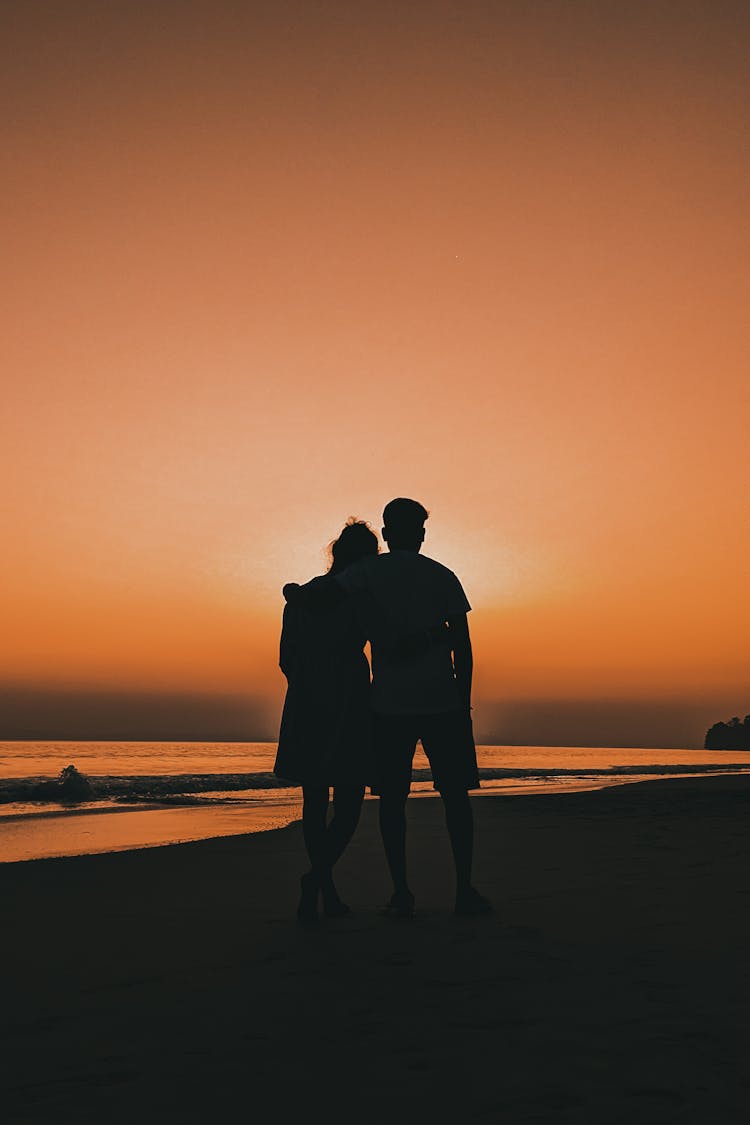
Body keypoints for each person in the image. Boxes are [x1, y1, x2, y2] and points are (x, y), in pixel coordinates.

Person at [284, 498, 491, 918]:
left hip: (379, 705)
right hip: (435, 705)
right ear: (421, 533)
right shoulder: (442, 575)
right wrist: (462, 698)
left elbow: (313, 607)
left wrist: (294, 593)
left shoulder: (365, 575)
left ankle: (398, 891)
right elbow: (463, 648)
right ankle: (464, 889)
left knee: (390, 803)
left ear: (388, 531)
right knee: (455, 799)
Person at [275, 518, 377, 924]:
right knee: (349, 803)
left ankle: (324, 886)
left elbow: (286, 658)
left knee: (315, 801)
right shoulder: (363, 597)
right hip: (349, 698)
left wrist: (306, 682)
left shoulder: (299, 598)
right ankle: (318, 880)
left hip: (306, 699)